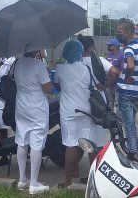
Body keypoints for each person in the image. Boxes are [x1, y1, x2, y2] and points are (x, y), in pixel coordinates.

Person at [54, 40, 93, 187]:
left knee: (70, 144)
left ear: (65, 53)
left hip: (68, 111)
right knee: (87, 143)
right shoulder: (86, 68)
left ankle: (67, 181)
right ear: (80, 52)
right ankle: (92, 176)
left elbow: (57, 86)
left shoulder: (59, 68)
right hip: (85, 110)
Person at [14, 50, 53, 195]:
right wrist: (46, 73)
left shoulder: (17, 63)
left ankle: (22, 179)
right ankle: (34, 183)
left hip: (22, 106)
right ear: (36, 49)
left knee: (22, 140)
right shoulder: (38, 65)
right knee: (36, 143)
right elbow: (48, 88)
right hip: (36, 107)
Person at [116, 19, 138, 159]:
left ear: (127, 32)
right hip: (136, 93)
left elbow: (130, 66)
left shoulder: (129, 49)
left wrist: (128, 77)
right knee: (132, 124)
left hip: (125, 92)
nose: (118, 35)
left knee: (128, 126)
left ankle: (133, 154)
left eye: (119, 32)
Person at [77, 35, 120, 147]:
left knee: (83, 137)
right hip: (98, 100)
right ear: (91, 48)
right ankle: (98, 160)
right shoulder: (99, 60)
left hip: (80, 100)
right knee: (99, 134)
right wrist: (105, 84)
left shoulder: (75, 62)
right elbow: (115, 72)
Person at [106, 38, 124, 109]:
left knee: (117, 103)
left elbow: (122, 69)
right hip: (109, 82)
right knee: (110, 102)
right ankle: (111, 118)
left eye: (110, 45)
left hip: (117, 83)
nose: (108, 47)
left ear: (115, 46)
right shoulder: (109, 55)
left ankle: (119, 119)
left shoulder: (121, 55)